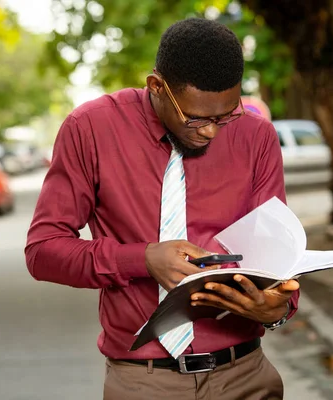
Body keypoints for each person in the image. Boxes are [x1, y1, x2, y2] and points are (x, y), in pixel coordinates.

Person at [25, 17, 300, 400]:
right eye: (197, 118)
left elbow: (276, 252)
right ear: (157, 86)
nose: (211, 132)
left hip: (246, 376)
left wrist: (277, 308)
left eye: (225, 116)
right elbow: (43, 251)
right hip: (145, 382)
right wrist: (142, 259)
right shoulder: (89, 129)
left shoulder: (256, 137)